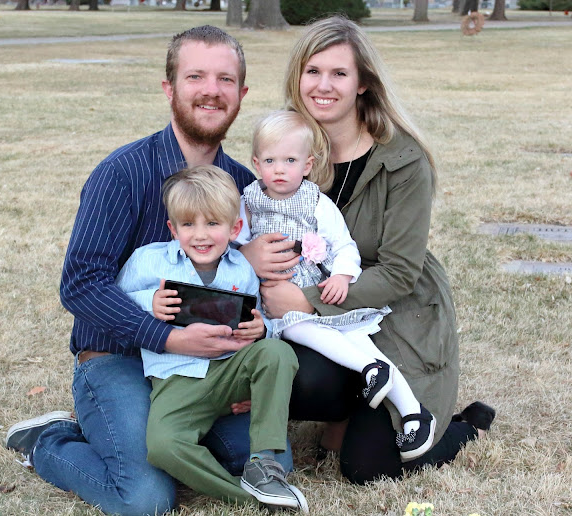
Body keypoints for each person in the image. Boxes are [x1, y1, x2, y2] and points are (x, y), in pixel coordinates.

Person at [5, 25, 292, 516]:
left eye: (225, 79)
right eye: (195, 76)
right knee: (145, 497)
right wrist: (167, 338)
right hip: (118, 358)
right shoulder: (122, 173)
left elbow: (250, 286)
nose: (211, 90)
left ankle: (137, 436)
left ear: (241, 93)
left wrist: (248, 362)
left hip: (210, 369)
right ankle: (49, 441)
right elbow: (81, 284)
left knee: (265, 460)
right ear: (169, 88)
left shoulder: (245, 186)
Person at [239, 16, 495, 484]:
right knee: (303, 380)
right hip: (313, 306)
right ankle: (346, 407)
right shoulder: (288, 146)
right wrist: (249, 257)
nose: (323, 85)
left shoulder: (403, 160)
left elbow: (399, 273)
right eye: (313, 71)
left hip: (394, 305)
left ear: (362, 83)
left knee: (368, 468)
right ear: (298, 77)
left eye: (339, 73)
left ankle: (464, 425)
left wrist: (305, 300)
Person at [238, 110, 436, 461]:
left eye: (290, 161)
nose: (279, 170)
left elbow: (344, 245)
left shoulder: (315, 202)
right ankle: (398, 396)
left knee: (345, 334)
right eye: (270, 161)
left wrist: (342, 275)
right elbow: (234, 245)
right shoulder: (250, 201)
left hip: (318, 289)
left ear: (308, 165)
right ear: (256, 163)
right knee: (322, 333)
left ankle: (408, 408)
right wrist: (245, 254)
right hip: (274, 294)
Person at [114, 165, 308, 512]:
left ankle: (264, 464)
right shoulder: (148, 261)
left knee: (276, 352)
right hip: (176, 379)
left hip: (230, 370)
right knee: (162, 446)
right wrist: (149, 301)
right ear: (173, 228)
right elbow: (115, 303)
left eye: (213, 224)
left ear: (234, 229)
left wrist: (261, 329)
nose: (200, 235)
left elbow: (260, 318)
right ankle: (247, 497)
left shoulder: (242, 269)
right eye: (188, 224)